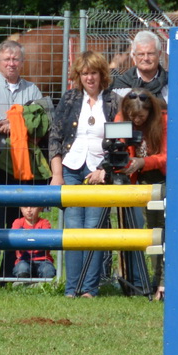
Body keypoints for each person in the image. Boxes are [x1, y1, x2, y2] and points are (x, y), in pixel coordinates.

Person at [0, 39, 51, 286]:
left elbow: (39, 119)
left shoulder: (33, 90)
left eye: (16, 59)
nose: (11, 63)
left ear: (23, 62)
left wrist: (14, 124)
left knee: (15, 222)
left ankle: (7, 276)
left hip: (21, 162)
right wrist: (11, 122)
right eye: (6, 59)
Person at [47, 51, 120, 298]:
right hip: (70, 169)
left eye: (94, 73)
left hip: (99, 170)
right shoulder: (69, 99)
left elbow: (120, 142)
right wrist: (57, 173)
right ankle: (71, 288)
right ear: (78, 76)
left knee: (93, 229)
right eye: (85, 73)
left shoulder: (113, 101)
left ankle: (89, 288)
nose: (90, 78)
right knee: (73, 228)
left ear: (102, 75)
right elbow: (55, 137)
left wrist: (105, 170)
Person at [115, 91, 167, 297]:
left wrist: (143, 162)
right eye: (132, 117)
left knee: (163, 230)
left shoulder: (163, 120)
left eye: (141, 117)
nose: (137, 121)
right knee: (152, 232)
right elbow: (118, 150)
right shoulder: (121, 119)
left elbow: (167, 156)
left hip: (163, 179)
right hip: (141, 180)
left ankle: (163, 282)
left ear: (150, 112)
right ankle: (156, 281)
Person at [111, 30, 169, 99]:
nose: (146, 58)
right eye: (141, 54)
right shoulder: (120, 87)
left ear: (159, 54)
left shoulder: (171, 83)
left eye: (150, 54)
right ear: (134, 55)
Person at [10, 206, 56, 282]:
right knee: (22, 269)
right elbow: (16, 241)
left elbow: (45, 241)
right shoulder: (18, 222)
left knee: (48, 271)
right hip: (23, 260)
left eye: (33, 207)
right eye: (25, 207)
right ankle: (24, 284)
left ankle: (43, 285)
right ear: (20, 208)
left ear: (40, 208)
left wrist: (25, 240)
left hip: (43, 260)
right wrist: (37, 241)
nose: (29, 210)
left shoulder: (44, 222)